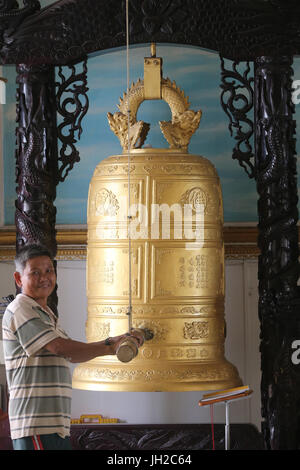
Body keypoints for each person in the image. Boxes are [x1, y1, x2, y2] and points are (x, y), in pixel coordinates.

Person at [2, 244, 143, 451]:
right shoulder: (21, 308)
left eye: (49, 271)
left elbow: (71, 356)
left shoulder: (46, 313)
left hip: (53, 426)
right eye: (35, 273)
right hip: (36, 426)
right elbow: (60, 348)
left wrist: (113, 341)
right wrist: (110, 347)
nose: (45, 278)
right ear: (18, 278)